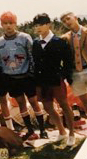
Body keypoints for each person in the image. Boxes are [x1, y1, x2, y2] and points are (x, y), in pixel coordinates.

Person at [0, 12, 46, 140]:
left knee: (33, 102)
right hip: (12, 78)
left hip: (26, 76)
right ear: (2, 25)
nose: (8, 26)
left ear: (15, 23)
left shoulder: (24, 37)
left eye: (11, 23)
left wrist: (32, 73)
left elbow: (32, 56)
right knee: (21, 104)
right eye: (5, 23)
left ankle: (42, 130)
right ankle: (30, 130)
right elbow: (0, 61)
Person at [30, 13, 76, 145]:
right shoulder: (35, 43)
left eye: (41, 24)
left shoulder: (59, 42)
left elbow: (68, 62)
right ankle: (62, 132)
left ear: (49, 25)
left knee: (64, 105)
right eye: (36, 25)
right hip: (41, 81)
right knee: (48, 107)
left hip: (56, 79)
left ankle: (71, 133)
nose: (38, 28)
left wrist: (63, 75)